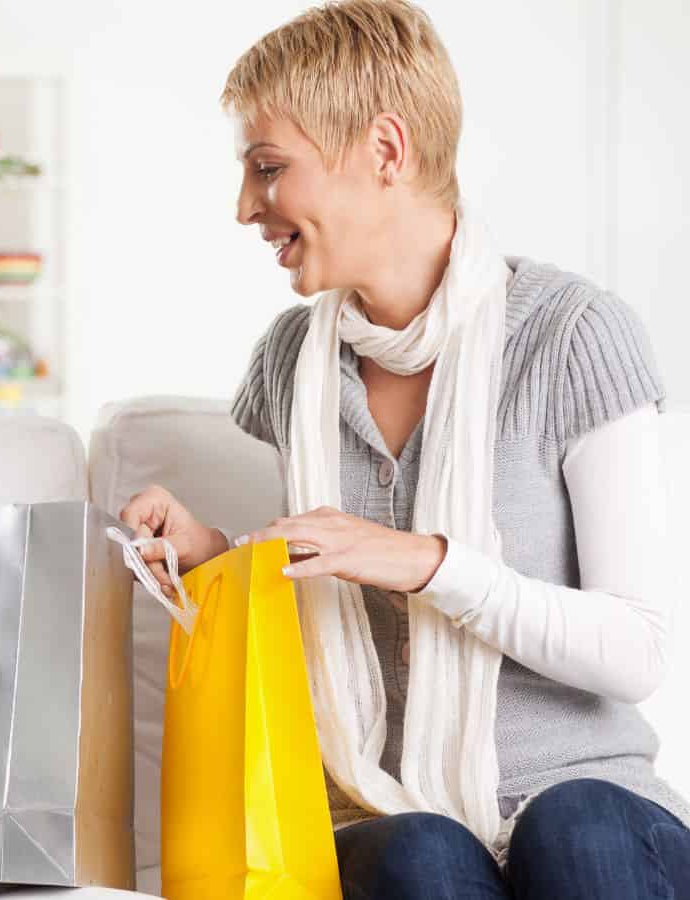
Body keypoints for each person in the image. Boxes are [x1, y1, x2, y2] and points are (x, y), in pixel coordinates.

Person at [121, 2, 690, 897]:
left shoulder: (574, 335)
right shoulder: (290, 367)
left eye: (269, 169)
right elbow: (329, 601)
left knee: (575, 825)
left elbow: (637, 649)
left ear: (385, 151)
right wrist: (215, 559)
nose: (245, 209)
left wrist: (430, 564)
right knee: (419, 850)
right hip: (385, 810)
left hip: (589, 806)